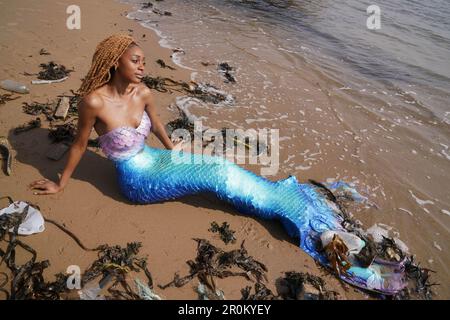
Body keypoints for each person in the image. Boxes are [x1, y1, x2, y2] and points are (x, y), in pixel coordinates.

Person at [28, 34, 405, 295]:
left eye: (143, 60)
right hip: (136, 179)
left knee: (218, 168)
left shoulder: (143, 91)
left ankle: (290, 206)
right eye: (135, 60)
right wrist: (60, 183)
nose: (142, 66)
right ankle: (301, 225)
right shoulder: (93, 102)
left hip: (156, 157)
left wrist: (170, 144)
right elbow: (79, 145)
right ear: (115, 62)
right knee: (218, 176)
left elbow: (156, 122)